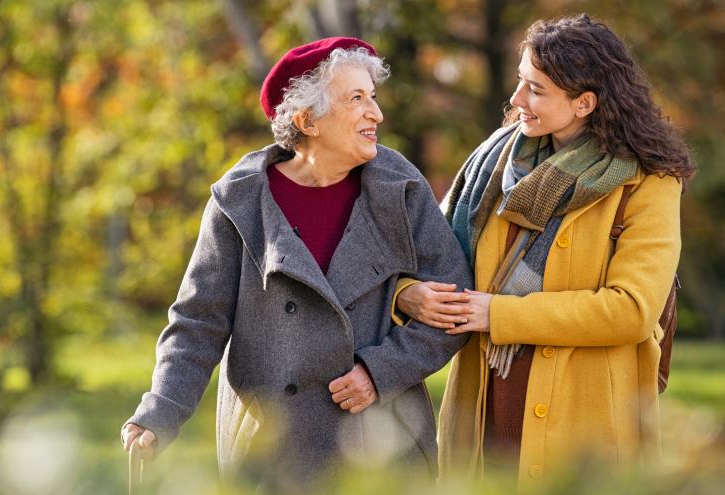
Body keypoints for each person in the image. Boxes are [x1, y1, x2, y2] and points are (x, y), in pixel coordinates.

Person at [120, 37, 472, 489]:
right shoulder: (240, 201)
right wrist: (159, 413)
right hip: (274, 449)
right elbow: (197, 323)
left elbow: (454, 303)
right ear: (307, 120)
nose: (376, 114)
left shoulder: (399, 186)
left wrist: (380, 371)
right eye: (357, 99)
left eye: (373, 97)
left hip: (382, 444)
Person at [394, 14, 695, 486]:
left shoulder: (649, 183)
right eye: (519, 82)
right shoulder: (492, 167)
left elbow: (632, 309)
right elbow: (424, 258)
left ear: (584, 102)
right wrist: (407, 294)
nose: (516, 101)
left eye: (535, 89)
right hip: (483, 413)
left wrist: (501, 315)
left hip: (585, 427)